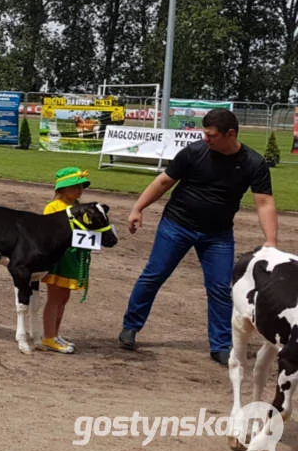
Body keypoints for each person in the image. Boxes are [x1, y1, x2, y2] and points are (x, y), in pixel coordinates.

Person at [118, 109, 277, 366]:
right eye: (204, 133)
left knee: (219, 289)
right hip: (176, 225)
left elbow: (264, 202)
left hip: (218, 235)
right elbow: (163, 182)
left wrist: (270, 241)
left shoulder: (253, 163)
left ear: (231, 134)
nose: (206, 138)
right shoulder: (193, 153)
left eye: (211, 135)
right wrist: (138, 208)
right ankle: (130, 328)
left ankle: (221, 346)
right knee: (154, 275)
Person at [40, 167, 93, 354]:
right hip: (59, 259)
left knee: (63, 298)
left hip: (73, 257)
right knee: (55, 299)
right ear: (62, 189)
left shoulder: (78, 206)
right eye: (75, 187)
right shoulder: (53, 207)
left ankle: (55, 334)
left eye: (81, 187)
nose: (79, 191)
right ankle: (48, 336)